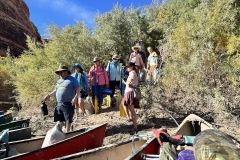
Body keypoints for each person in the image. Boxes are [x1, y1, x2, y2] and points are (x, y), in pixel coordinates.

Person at [44, 66, 80, 132]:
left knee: (68, 120)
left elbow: (78, 88)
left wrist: (75, 98)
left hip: (68, 103)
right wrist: (49, 95)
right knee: (59, 120)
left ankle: (67, 133)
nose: (60, 74)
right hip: (59, 103)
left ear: (66, 72)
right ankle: (61, 133)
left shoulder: (72, 79)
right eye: (59, 72)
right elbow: (56, 90)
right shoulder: (59, 81)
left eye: (61, 72)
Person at [122, 62, 139, 134]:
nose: (127, 68)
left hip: (130, 92)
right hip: (129, 92)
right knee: (124, 104)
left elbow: (130, 84)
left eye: (128, 67)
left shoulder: (132, 73)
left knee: (132, 110)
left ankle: (135, 128)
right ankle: (131, 121)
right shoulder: (132, 73)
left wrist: (126, 83)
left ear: (132, 67)